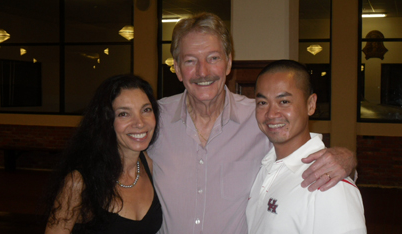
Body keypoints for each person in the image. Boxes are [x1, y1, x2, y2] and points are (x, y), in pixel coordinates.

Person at [147, 12, 357, 234]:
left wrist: (347, 160)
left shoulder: (262, 118)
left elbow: (300, 153)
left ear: (228, 63)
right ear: (178, 69)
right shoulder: (152, 120)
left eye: (213, 58)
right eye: (190, 61)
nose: (203, 72)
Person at [246, 60, 366, 234]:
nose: (271, 114)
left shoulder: (329, 183)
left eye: (284, 101)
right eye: (262, 103)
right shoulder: (266, 167)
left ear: (311, 104)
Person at [44, 74, 162, 234]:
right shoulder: (79, 182)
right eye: (124, 114)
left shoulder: (147, 165)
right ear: (106, 121)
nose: (140, 123)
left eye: (146, 110)